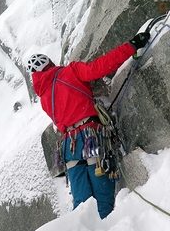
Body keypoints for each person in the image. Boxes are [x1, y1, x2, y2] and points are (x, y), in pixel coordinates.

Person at [26, 32, 151, 219]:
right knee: (103, 197)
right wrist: (131, 46)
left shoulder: (44, 98)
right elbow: (100, 67)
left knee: (81, 204)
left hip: (69, 147)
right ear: (50, 64)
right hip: (91, 137)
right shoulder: (70, 71)